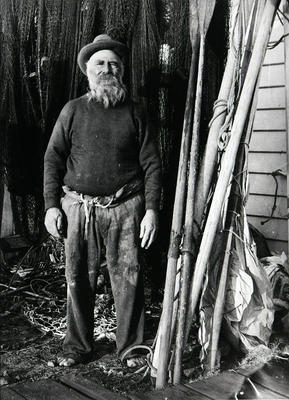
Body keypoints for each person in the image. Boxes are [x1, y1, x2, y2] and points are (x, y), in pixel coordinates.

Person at [43, 34, 161, 367]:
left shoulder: (137, 110)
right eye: (100, 63)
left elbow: (152, 163)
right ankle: (78, 347)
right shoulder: (73, 110)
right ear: (88, 71)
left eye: (113, 64)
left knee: (129, 278)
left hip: (126, 207)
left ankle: (130, 349)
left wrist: (151, 210)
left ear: (121, 71)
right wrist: (52, 205)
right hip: (79, 208)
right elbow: (53, 158)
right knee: (77, 277)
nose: (107, 69)